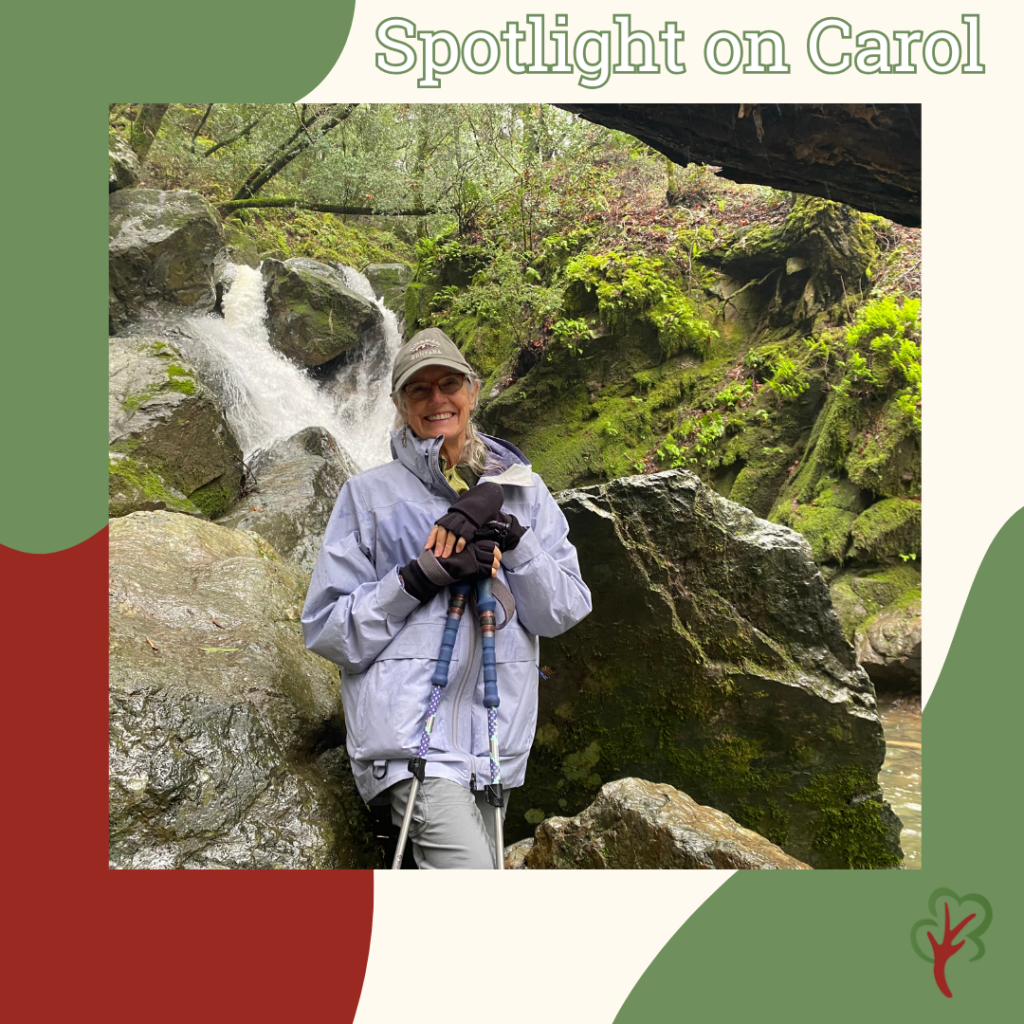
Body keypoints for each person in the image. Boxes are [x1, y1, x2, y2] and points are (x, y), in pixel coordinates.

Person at [302, 328, 592, 868]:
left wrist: (512, 535)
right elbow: (327, 628)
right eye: (420, 390)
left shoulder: (526, 493)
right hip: (411, 743)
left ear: (473, 391)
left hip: (493, 742)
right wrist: (417, 577)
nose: (438, 399)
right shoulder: (366, 497)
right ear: (399, 405)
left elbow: (564, 610)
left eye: (450, 384)